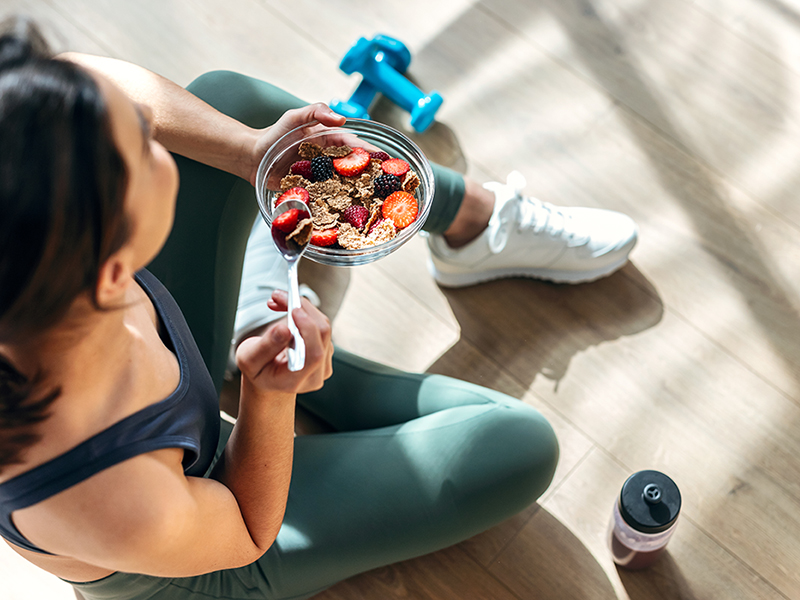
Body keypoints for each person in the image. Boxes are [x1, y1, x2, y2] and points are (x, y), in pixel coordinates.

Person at [0, 15, 612, 600]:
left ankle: (466, 225)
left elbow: (80, 78)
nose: (145, 128)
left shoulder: (44, 273)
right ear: (116, 269)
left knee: (231, 101)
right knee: (519, 443)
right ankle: (276, 352)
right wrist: (271, 397)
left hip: (159, 367)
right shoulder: (106, 501)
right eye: (139, 147)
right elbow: (243, 530)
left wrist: (248, 151)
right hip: (207, 532)